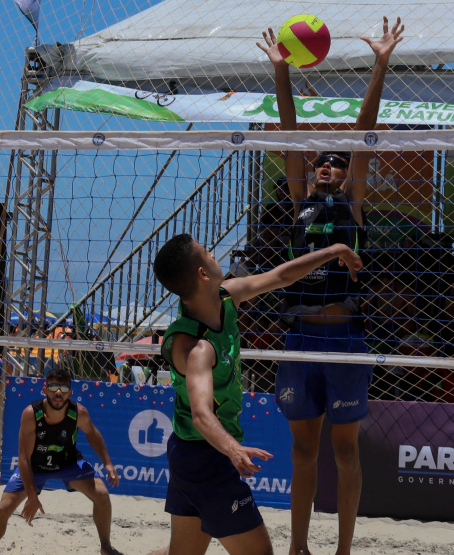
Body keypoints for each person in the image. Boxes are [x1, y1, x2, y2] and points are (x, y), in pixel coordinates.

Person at [258, 16, 404, 555]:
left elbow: (364, 134)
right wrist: (281, 73)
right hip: (299, 338)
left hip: (344, 342)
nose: (328, 165)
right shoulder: (300, 198)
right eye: (323, 161)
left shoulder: (352, 202)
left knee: (345, 452)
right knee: (302, 453)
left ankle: (342, 550)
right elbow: (293, 132)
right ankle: (297, 548)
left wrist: (380, 63)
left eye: (337, 164)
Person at [149, 233, 362, 555]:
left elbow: (282, 276)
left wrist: (333, 251)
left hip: (189, 452)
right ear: (202, 274)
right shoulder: (197, 348)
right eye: (207, 252)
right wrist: (234, 450)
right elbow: (201, 414)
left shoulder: (226, 297)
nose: (213, 254)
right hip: (206, 457)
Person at [0, 368, 121, 555]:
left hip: (68, 463)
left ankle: (106, 547)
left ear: (70, 393)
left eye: (63, 389)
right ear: (44, 390)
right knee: (2, 509)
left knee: (102, 495)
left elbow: (93, 434)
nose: (58, 393)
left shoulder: (79, 413)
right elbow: (23, 458)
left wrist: (108, 463)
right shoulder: (31, 414)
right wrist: (32, 496)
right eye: (54, 387)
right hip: (35, 467)